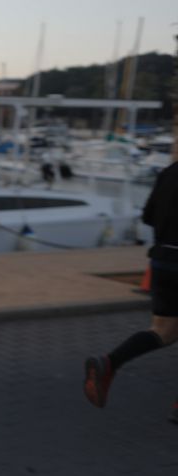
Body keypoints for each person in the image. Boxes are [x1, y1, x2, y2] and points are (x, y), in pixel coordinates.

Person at [84, 160, 178, 416]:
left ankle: (110, 362)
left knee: (164, 331)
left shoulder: (169, 171)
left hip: (161, 261)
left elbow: (148, 216)